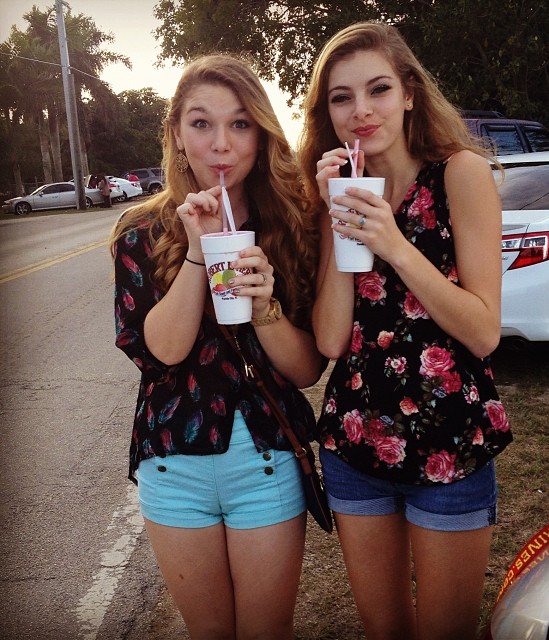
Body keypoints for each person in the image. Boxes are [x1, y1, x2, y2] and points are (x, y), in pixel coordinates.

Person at [298, 22, 513, 640]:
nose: (361, 111)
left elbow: (483, 332)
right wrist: (335, 216)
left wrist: (393, 243)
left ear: (410, 94)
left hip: (451, 441)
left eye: (379, 89)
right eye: (342, 97)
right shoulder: (340, 193)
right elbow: (331, 340)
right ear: (328, 113)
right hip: (356, 444)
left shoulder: (460, 174)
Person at [108, 54, 324, 640]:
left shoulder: (292, 227)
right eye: (201, 123)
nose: (221, 144)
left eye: (240, 124)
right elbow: (163, 352)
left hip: (265, 460)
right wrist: (199, 253)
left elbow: (306, 370)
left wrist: (265, 307)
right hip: (173, 463)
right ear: (177, 134)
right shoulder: (140, 234)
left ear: (261, 134)